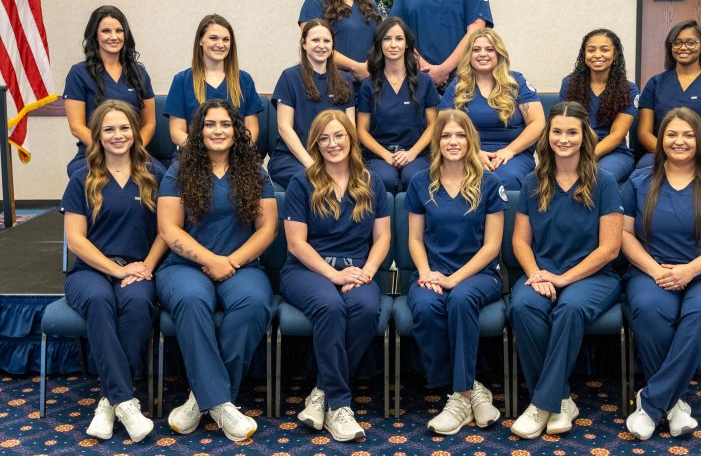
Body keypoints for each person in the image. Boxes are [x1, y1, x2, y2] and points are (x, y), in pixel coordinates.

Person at [623, 107, 701, 440]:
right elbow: (622, 234)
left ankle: (651, 404)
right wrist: (655, 270)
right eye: (671, 134)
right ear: (660, 139)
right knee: (650, 309)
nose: (679, 141)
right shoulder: (639, 180)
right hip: (653, 271)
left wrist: (690, 270)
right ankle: (675, 404)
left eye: (688, 134)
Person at [156, 99, 277, 442]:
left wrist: (231, 261)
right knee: (193, 300)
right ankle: (223, 405)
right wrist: (210, 260)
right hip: (186, 266)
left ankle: (202, 399)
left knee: (253, 303)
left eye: (225, 124)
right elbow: (169, 228)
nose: (218, 131)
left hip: (241, 264)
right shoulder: (179, 170)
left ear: (236, 131)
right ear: (199, 130)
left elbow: (267, 230)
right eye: (210, 124)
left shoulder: (254, 170)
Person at [507, 101, 623, 439]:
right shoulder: (533, 180)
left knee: (570, 308)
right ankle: (560, 400)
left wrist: (563, 279)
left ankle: (542, 404)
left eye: (572, 132)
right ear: (548, 135)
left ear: (584, 136)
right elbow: (520, 242)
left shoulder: (605, 181)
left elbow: (610, 248)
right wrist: (534, 274)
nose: (564, 138)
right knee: (523, 306)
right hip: (543, 272)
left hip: (595, 276)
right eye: (557, 131)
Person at [62, 100, 168, 442]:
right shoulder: (82, 178)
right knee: (97, 300)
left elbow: (168, 231)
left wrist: (146, 268)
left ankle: (109, 403)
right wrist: (115, 270)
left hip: (139, 268)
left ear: (135, 132)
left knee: (137, 305)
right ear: (97, 135)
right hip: (90, 270)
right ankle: (125, 400)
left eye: (124, 128)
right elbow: (76, 241)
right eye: (109, 129)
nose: (118, 135)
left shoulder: (156, 173)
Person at [282, 110, 390, 442]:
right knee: (330, 305)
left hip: (358, 267)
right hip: (307, 269)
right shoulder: (302, 182)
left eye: (339, 136)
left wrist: (368, 271)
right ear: (315, 144)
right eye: (324, 138)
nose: (332, 144)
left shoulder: (372, 181)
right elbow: (296, 243)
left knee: (367, 309)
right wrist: (334, 275)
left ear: (350, 138)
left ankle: (321, 392)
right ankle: (341, 407)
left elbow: (383, 237)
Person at [405, 109, 507, 436]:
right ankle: (469, 389)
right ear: (437, 141)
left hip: (479, 274)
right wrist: (425, 272)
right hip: (431, 271)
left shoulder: (489, 183)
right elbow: (415, 239)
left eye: (460, 135)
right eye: (446, 135)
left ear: (470, 140)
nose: (453, 141)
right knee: (424, 305)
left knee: (461, 299)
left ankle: (459, 398)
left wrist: (453, 279)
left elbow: (492, 247)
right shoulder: (421, 182)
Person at [439, 29, 545, 190]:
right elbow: (442, 125)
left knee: (508, 178)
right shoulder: (457, 86)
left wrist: (509, 151)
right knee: (470, 179)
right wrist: (473, 152)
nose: (482, 54)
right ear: (469, 54)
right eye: (476, 50)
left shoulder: (517, 82)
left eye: (489, 49)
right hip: (466, 153)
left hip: (513, 154)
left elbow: (537, 123)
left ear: (499, 53)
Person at [63, 6, 157, 176]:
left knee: (162, 176)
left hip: (134, 152)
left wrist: (133, 150)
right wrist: (108, 151)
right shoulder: (79, 73)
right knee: (81, 175)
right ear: (95, 35)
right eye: (106, 31)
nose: (114, 37)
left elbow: (149, 123)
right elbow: (76, 127)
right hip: (94, 153)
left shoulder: (139, 73)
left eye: (119, 31)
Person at [637, 20, 701, 169]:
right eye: (677, 42)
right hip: (662, 150)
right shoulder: (655, 83)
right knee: (643, 168)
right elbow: (644, 133)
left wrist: (686, 152)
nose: (683, 47)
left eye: (691, 43)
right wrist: (670, 151)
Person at [268, 19, 355, 188]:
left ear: (333, 46)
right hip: (293, 159)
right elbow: (284, 128)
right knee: (314, 181)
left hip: (334, 156)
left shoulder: (346, 80)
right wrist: (311, 164)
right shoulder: (289, 77)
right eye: (315, 40)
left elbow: (350, 129)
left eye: (327, 41)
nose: (321, 45)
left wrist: (342, 163)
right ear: (304, 43)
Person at [357, 17, 440, 193]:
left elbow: (434, 125)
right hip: (380, 156)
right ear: (379, 44)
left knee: (414, 178)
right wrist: (385, 155)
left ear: (407, 44)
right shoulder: (368, 85)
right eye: (387, 39)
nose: (393, 44)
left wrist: (412, 153)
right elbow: (362, 131)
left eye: (399, 38)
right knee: (384, 179)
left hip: (417, 154)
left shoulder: (424, 82)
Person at [164, 14, 262, 147]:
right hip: (193, 156)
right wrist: (206, 153)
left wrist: (230, 153)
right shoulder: (181, 80)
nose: (220, 44)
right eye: (213, 38)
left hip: (236, 156)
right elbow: (177, 132)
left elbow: (252, 130)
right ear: (200, 40)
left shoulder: (244, 80)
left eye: (226, 39)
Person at [560, 28, 640, 182]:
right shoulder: (569, 84)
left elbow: (617, 135)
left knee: (595, 176)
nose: (597, 55)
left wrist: (585, 157)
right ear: (584, 55)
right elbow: (564, 125)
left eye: (604, 50)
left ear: (615, 55)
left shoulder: (628, 89)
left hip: (614, 153)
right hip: (574, 148)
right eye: (591, 50)